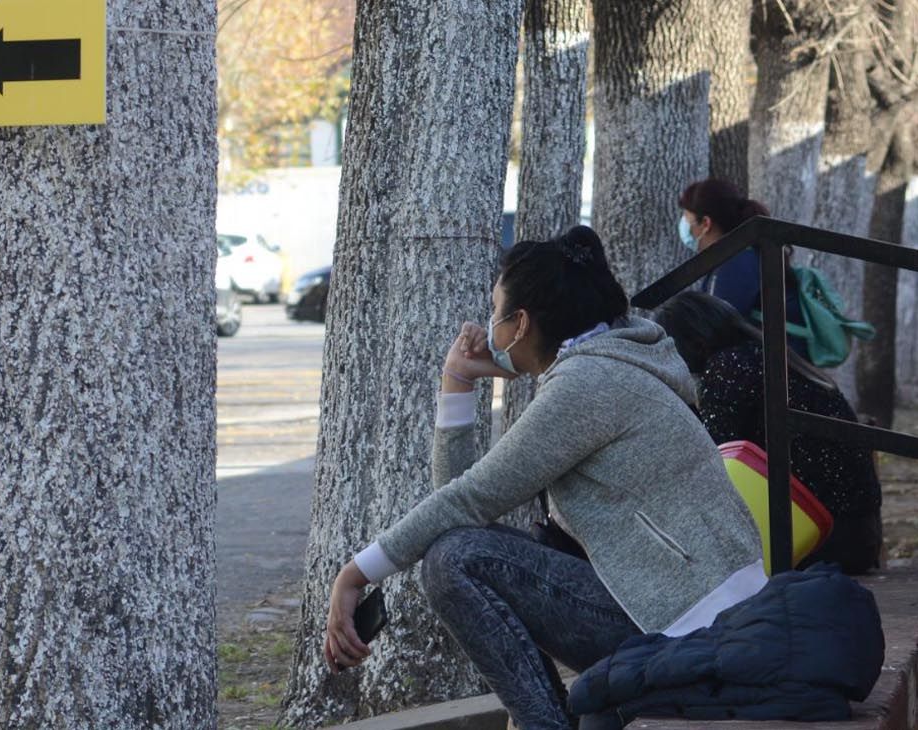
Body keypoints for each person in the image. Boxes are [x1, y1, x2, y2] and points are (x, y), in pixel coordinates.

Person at [323, 226, 764, 730]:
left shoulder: (587, 385)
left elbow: (467, 502)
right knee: (459, 548)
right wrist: (459, 383)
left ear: (520, 324)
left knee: (455, 560)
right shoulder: (614, 363)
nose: (490, 329)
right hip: (699, 605)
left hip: (689, 621)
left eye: (495, 315)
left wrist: (354, 575)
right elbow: (460, 501)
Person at [654, 291, 882, 574]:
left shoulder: (729, 367)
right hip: (858, 533)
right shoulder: (768, 353)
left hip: (819, 538)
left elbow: (713, 460)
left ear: (695, 344)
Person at [677, 179, 808, 350]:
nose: (684, 225)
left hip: (777, 367)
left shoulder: (736, 263)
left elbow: (715, 332)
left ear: (706, 224)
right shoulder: (739, 255)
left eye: (687, 219)